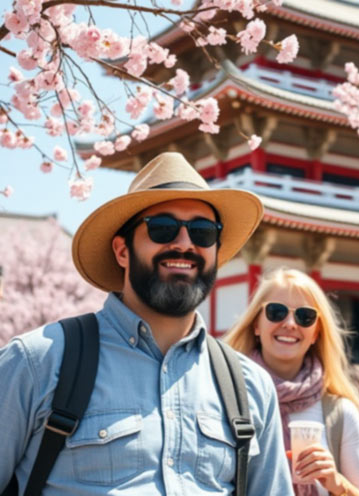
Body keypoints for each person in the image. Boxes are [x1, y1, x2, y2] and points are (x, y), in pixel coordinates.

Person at [0, 152, 293, 495]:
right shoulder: (38, 362)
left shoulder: (249, 386)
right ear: (122, 251)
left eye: (202, 232)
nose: (184, 243)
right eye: (163, 228)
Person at [226, 268, 359, 496]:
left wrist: (337, 483)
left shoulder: (338, 413)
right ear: (256, 324)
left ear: (316, 332)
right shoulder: (225, 399)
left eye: (305, 316)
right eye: (276, 312)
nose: (290, 323)